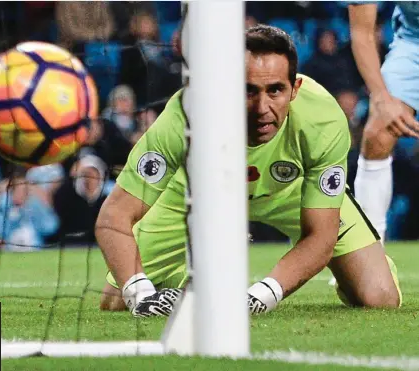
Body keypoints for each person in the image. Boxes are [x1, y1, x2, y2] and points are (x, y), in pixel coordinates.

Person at [95, 25, 402, 317]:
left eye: (275, 90)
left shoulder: (322, 120)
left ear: (295, 88)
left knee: (379, 296)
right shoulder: (187, 115)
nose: (262, 107)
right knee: (116, 299)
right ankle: (188, 287)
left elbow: (321, 236)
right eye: (249, 91)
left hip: (293, 192)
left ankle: (345, 276)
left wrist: (260, 297)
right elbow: (114, 216)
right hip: (197, 190)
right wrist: (140, 294)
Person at [348, 2, 419, 242]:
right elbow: (362, 33)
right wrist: (381, 98)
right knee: (378, 133)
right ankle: (367, 252)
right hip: (414, 42)